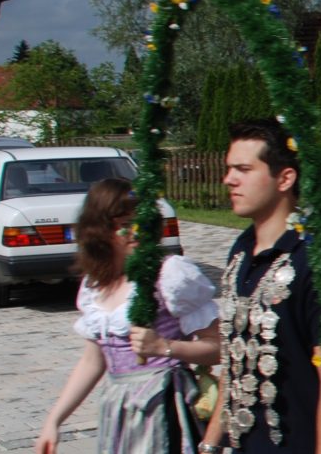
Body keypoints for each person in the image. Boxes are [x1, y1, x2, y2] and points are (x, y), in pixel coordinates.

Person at [36, 178, 220, 454]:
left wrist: (165, 347)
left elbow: (219, 348)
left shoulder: (169, 274)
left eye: (141, 222)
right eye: (124, 225)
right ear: (99, 230)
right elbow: (92, 361)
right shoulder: (95, 284)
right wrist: (54, 420)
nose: (136, 232)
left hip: (164, 406)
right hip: (120, 409)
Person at [215, 118, 321, 452]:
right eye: (229, 169)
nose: (229, 179)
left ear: (284, 178)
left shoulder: (315, 261)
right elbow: (231, 361)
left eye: (243, 169)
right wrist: (211, 443)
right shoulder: (240, 249)